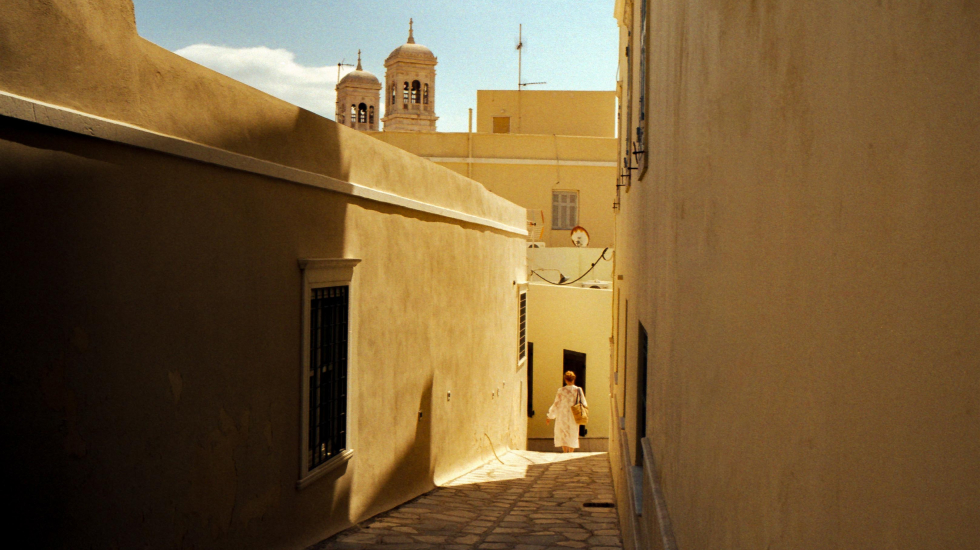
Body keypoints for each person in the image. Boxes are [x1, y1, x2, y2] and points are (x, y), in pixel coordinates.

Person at [546, 371, 587, 453]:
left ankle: (565, 452)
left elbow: (556, 404)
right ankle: (571, 452)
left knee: (563, 432)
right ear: (574, 379)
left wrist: (550, 416)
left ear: (565, 379)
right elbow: (584, 403)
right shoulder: (578, 390)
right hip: (573, 414)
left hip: (562, 414)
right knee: (573, 432)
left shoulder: (561, 390)